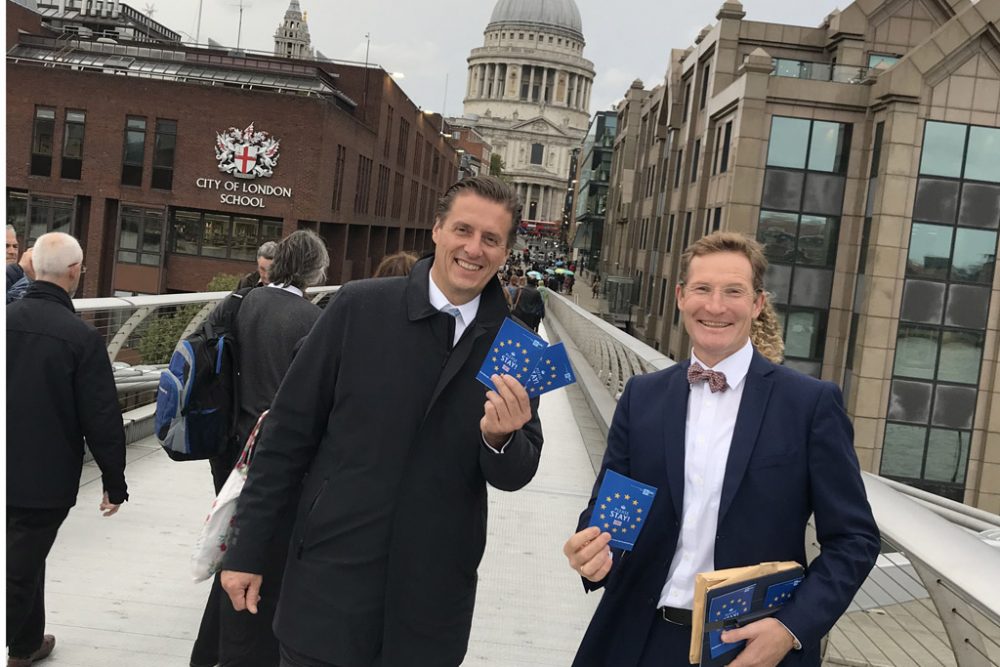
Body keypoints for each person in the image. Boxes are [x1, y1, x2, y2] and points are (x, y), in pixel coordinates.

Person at [220, 176, 544, 667]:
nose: (473, 249)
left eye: (491, 239)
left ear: (506, 252)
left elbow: (517, 473)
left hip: (431, 599)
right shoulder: (359, 306)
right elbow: (285, 436)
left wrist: (501, 439)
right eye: (463, 230)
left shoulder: (519, 346)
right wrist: (247, 550)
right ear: (436, 230)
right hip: (330, 580)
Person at [563, 231, 879, 667]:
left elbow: (855, 540)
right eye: (702, 290)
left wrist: (790, 630)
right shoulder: (642, 396)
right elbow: (609, 511)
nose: (715, 307)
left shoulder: (809, 405)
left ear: (757, 304)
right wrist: (593, 552)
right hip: (638, 637)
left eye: (734, 291)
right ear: (680, 296)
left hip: (750, 648)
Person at [190, 230, 331, 667]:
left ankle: (208, 652)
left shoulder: (243, 303)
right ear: (315, 271)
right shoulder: (311, 321)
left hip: (230, 447)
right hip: (274, 458)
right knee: (263, 554)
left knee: (234, 545)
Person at [7, 232, 128, 667]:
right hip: (45, 478)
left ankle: (25, 644)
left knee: (24, 558)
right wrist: (114, 483)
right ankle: (16, 646)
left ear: (33, 266)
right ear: (75, 271)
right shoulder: (80, 338)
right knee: (19, 564)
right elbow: (101, 417)